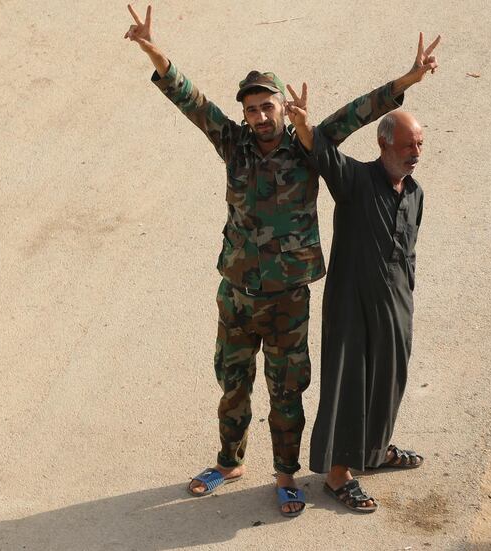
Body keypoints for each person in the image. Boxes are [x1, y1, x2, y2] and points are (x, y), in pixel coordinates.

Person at [125, 2, 432, 516]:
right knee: (233, 381)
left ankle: (286, 477)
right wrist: (153, 50)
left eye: (267, 106)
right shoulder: (233, 143)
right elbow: (189, 98)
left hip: (288, 296)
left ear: (281, 108)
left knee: (287, 388)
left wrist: (410, 78)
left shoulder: (309, 145)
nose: (259, 116)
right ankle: (228, 462)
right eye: (251, 109)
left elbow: (362, 110)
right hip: (238, 293)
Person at [286, 34, 439, 513]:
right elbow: (320, 145)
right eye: (406, 144)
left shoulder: (414, 194)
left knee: (389, 379)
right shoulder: (353, 179)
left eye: (419, 145)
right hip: (351, 304)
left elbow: (408, 255)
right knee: (349, 384)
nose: (414, 153)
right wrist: (305, 124)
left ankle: (376, 450)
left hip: (396, 305)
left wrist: (406, 299)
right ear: (383, 143)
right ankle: (337, 475)